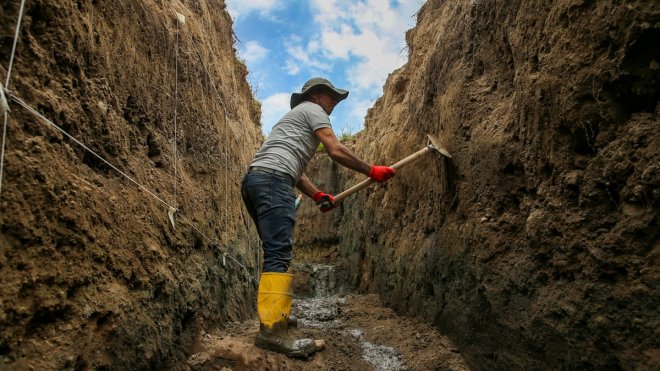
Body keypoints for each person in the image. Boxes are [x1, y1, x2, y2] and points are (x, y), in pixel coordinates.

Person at [241, 77, 396, 358]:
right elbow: (336, 150)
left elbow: (297, 172)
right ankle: (272, 333)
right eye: (331, 96)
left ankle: (278, 315)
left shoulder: (291, 124)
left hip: (256, 181)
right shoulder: (314, 111)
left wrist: (317, 196)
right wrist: (371, 169)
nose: (334, 102)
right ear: (315, 95)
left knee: (275, 251)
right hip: (274, 182)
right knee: (278, 253)